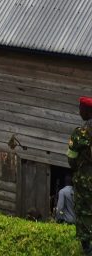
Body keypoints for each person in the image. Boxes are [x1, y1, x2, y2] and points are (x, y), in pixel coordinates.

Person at [68, 96, 92, 254]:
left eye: (81, 108)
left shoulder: (80, 133)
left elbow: (71, 159)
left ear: (88, 111)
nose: (79, 111)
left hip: (85, 183)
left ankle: (87, 249)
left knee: (84, 212)